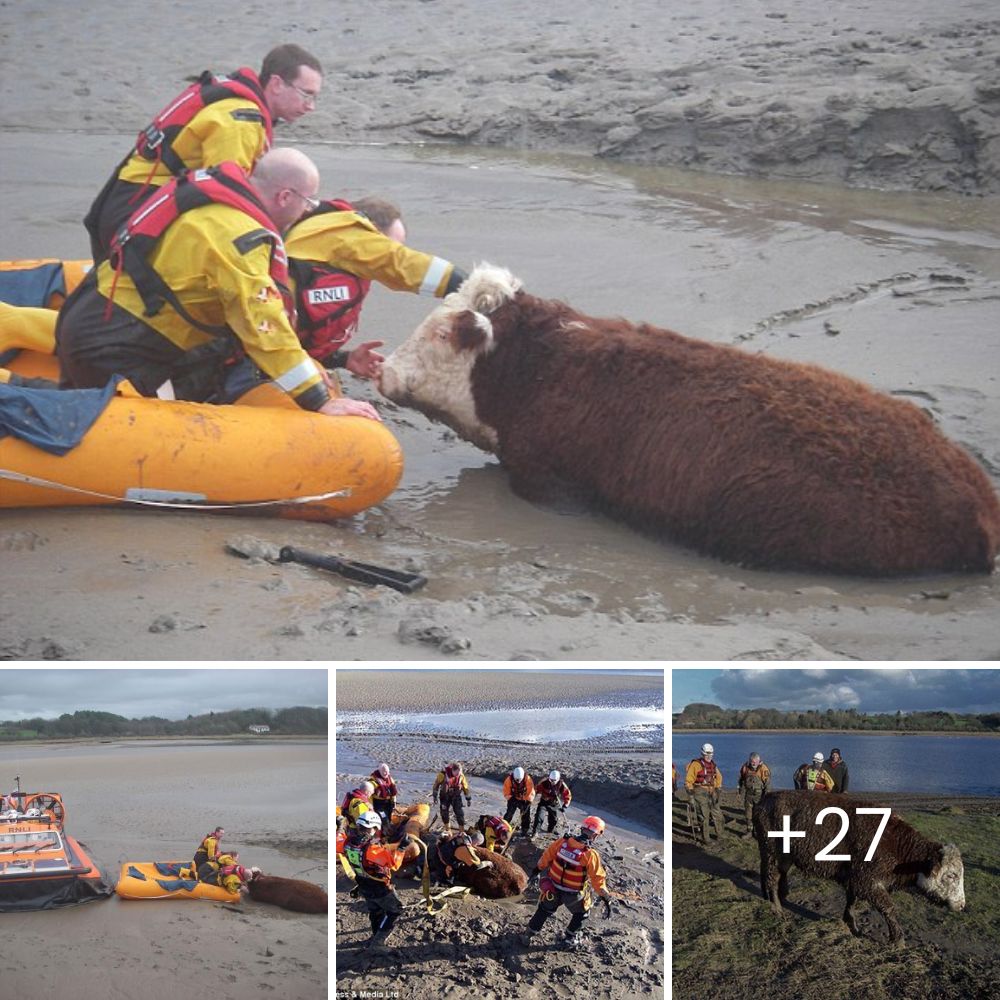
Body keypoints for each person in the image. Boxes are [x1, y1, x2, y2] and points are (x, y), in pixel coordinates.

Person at [57, 149, 379, 421]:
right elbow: (263, 325)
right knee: (185, 417)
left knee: (219, 354)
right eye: (307, 203)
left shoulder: (214, 203)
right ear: (285, 196)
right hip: (113, 347)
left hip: (94, 313)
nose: (307, 212)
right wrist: (320, 400)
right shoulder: (240, 239)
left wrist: (337, 358)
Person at [84, 44, 323, 262]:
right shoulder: (239, 121)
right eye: (306, 94)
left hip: (130, 201)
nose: (311, 107)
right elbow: (228, 197)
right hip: (135, 212)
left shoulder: (238, 105)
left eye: (315, 97)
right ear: (277, 84)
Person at [522, 815, 612, 950]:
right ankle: (569, 939)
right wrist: (604, 896)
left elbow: (546, 856)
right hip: (573, 893)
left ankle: (528, 934)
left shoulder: (562, 842)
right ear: (595, 836)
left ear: (582, 829)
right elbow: (597, 878)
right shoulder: (590, 854)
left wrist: (537, 870)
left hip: (552, 887)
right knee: (582, 914)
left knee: (544, 910)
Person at [342, 811, 411, 950]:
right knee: (395, 911)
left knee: (376, 911)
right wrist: (402, 848)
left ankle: (375, 935)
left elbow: (337, 842)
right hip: (379, 888)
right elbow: (394, 865)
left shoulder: (347, 842)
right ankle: (378, 943)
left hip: (362, 884)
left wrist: (338, 828)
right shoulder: (373, 850)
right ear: (374, 828)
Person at [685, 743, 725, 844]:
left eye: (711, 754)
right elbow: (688, 781)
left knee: (718, 814)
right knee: (704, 816)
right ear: (702, 754)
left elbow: (719, 777)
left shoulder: (713, 765)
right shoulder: (695, 765)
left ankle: (720, 835)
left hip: (712, 791)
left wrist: (718, 788)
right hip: (699, 791)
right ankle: (706, 839)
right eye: (707, 754)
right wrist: (690, 796)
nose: (709, 756)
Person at [737, 753, 771, 838]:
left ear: (759, 761)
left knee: (760, 814)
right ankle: (749, 831)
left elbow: (768, 784)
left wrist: (767, 796)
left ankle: (760, 832)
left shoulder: (763, 768)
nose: (753, 764)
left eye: (755, 762)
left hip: (760, 795)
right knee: (748, 814)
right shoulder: (745, 767)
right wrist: (739, 792)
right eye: (752, 762)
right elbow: (741, 780)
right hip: (748, 795)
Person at [532, 769, 572, 837]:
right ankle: (535, 832)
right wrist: (531, 798)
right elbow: (536, 790)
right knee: (539, 817)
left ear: (558, 779)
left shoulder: (561, 784)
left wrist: (565, 805)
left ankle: (551, 830)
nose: (552, 782)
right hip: (544, 802)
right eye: (551, 780)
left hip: (554, 803)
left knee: (553, 819)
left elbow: (567, 795)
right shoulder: (544, 782)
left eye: (554, 780)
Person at [432, 762, 471, 831]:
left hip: (456, 796)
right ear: (452, 770)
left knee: (460, 813)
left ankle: (461, 830)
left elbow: (465, 787)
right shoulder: (442, 775)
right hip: (445, 796)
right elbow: (436, 785)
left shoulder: (461, 776)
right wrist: (435, 796)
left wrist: (468, 798)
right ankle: (447, 829)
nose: (458, 774)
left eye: (459, 773)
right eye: (456, 773)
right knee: (444, 813)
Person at [503, 766, 535, 837]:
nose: (518, 781)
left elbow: (531, 792)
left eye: (519, 779)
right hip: (513, 798)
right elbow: (506, 792)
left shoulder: (528, 779)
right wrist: (512, 800)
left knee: (525, 814)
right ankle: (503, 827)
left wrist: (528, 802)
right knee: (509, 813)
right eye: (516, 779)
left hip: (524, 800)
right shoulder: (509, 780)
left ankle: (525, 829)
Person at [369, 763, 398, 832]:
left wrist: (394, 802)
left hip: (388, 802)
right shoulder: (373, 782)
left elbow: (393, 793)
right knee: (383, 818)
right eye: (383, 771)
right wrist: (371, 807)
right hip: (379, 804)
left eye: (387, 771)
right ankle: (384, 832)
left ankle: (388, 829)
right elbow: (369, 796)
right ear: (379, 771)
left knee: (388, 817)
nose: (386, 773)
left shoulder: (390, 779)